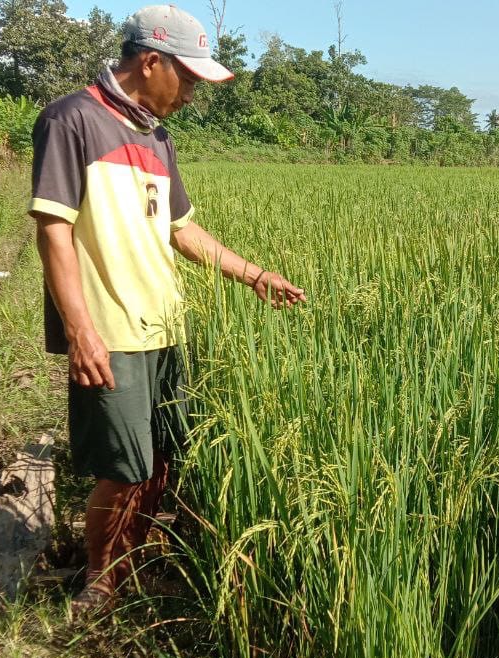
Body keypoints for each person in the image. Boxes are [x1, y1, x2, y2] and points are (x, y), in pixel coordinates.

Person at [28, 5, 306, 615]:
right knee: (125, 465)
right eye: (189, 76)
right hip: (112, 330)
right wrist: (80, 331)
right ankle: (100, 580)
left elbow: (182, 230)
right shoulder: (71, 119)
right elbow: (53, 230)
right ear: (150, 61)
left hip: (164, 324)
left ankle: (135, 554)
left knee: (162, 456)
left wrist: (253, 275)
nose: (193, 93)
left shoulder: (156, 135)